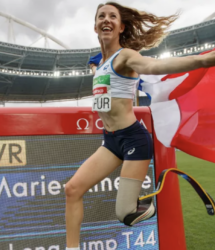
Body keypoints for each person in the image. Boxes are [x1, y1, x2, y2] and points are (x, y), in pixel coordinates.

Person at [64, 2, 215, 250]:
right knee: (72, 189)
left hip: (134, 139)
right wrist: (93, 65)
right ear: (95, 26)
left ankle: (145, 202)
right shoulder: (98, 63)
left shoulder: (126, 56)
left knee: (125, 214)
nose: (106, 19)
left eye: (113, 16)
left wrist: (204, 61)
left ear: (121, 26)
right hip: (111, 141)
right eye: (101, 16)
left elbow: (155, 67)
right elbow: (97, 66)